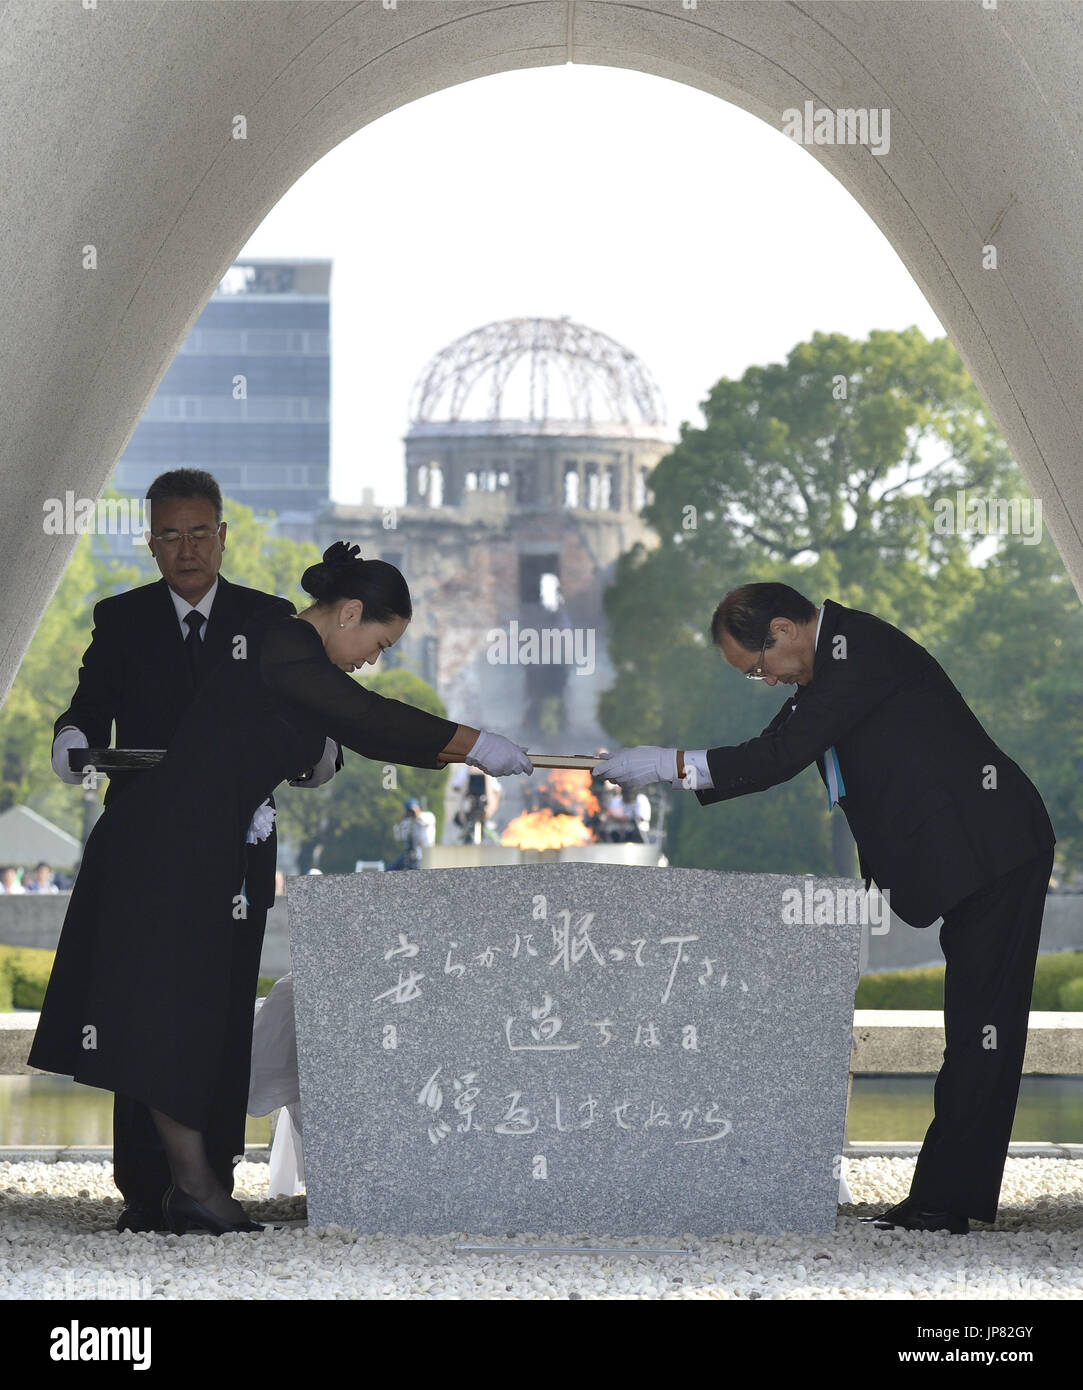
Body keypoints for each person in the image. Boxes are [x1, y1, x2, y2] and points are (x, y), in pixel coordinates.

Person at [30, 539, 532, 1234]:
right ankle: (192, 1187)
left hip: (196, 850)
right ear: (348, 612)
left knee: (189, 1019)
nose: (371, 660)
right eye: (378, 643)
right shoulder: (283, 644)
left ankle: (191, 1186)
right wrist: (473, 744)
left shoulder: (287, 654)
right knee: (167, 1021)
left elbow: (334, 729)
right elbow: (368, 718)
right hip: (163, 849)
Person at [594, 582, 1055, 1234]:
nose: (762, 679)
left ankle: (946, 1200)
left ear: (782, 630)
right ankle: (944, 1194)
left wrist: (665, 765)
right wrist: (669, 767)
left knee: (982, 1030)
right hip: (969, 857)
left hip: (993, 849)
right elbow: (767, 747)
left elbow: (776, 758)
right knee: (973, 1028)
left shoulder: (856, 649)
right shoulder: (825, 671)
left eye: (756, 667)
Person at [47, 468, 337, 1236]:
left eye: (199, 533)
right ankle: (148, 1187)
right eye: (169, 536)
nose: (186, 550)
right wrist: (73, 746)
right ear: (151, 543)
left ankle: (212, 1176)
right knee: (140, 1007)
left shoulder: (270, 619)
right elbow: (84, 713)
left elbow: (314, 727)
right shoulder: (122, 619)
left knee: (220, 1008)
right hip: (143, 849)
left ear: (222, 535)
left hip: (236, 854)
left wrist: (320, 758)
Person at [387, 796, 436, 870]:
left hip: (424, 854)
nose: (412, 811)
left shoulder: (428, 816)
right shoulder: (407, 822)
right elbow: (398, 836)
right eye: (410, 810)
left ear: (418, 808)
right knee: (390, 868)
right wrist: (401, 819)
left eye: (414, 808)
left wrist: (417, 815)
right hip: (409, 855)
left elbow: (425, 821)